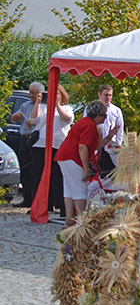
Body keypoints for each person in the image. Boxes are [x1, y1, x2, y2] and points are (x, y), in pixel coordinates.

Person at [54, 101, 115, 226]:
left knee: (69, 190)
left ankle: (69, 219)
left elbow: (95, 146)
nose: (105, 118)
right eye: (104, 115)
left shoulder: (84, 122)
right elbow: (83, 147)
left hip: (64, 156)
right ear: (98, 115)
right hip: (73, 158)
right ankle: (81, 222)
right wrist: (86, 169)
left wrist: (109, 137)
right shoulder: (90, 125)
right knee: (80, 190)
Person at [30, 85, 73, 213]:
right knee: (39, 175)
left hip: (58, 145)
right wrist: (38, 102)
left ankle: (59, 204)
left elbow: (67, 119)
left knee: (57, 176)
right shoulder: (43, 107)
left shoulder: (67, 108)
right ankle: (41, 204)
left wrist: (57, 105)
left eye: (57, 94)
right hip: (40, 145)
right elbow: (33, 120)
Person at [9, 82, 45, 207]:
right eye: (30, 92)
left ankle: (36, 199)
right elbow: (12, 119)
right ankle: (27, 197)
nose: (31, 95)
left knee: (35, 170)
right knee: (25, 169)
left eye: (34, 93)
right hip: (24, 139)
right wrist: (16, 116)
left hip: (36, 140)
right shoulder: (25, 105)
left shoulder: (43, 107)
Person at [94, 84, 124, 173]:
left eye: (110, 95)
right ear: (99, 94)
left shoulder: (116, 110)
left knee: (112, 171)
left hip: (111, 146)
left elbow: (120, 129)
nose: (108, 98)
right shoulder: (92, 108)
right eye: (106, 95)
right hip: (97, 145)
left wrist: (118, 145)